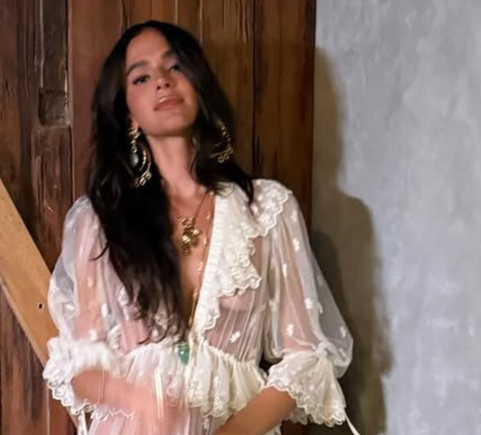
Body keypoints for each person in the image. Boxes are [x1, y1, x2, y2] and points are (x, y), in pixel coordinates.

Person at [43, 20, 357, 435]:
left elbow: (306, 357)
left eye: (175, 67)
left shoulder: (268, 210)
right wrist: (139, 399)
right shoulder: (99, 220)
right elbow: (81, 364)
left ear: (198, 85)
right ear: (128, 114)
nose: (162, 81)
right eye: (141, 77)